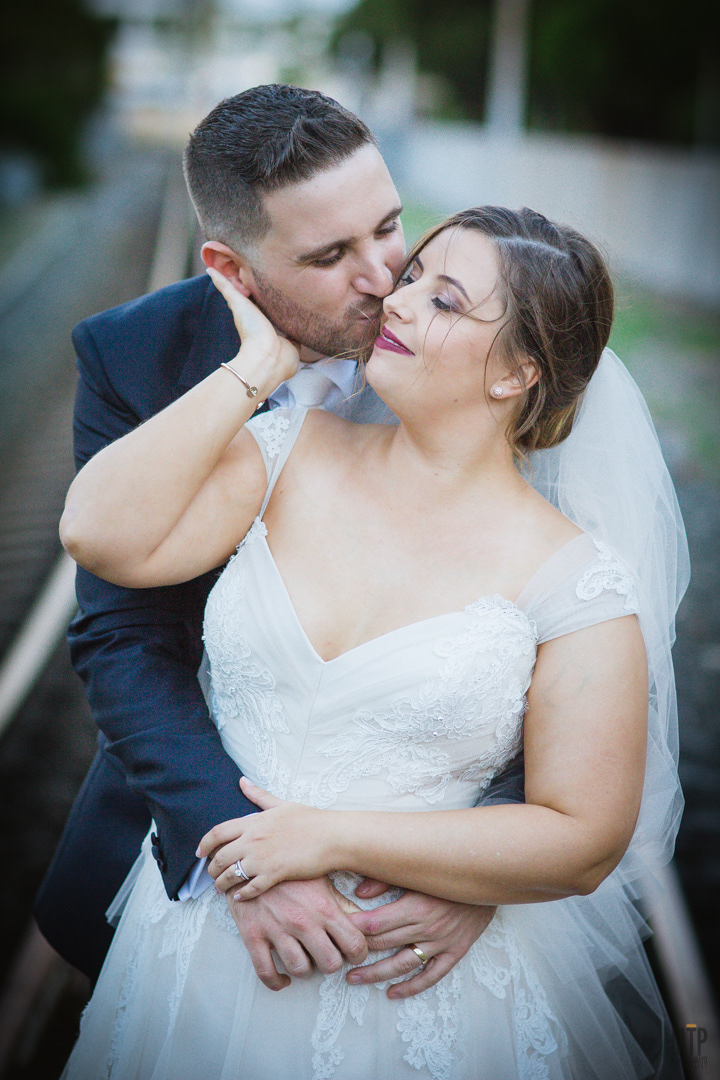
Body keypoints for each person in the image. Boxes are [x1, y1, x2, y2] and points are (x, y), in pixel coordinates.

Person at [60, 205, 687, 1079]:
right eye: (413, 276)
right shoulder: (285, 450)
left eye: (445, 301)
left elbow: (584, 839)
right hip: (196, 947)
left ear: (518, 373)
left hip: (413, 991)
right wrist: (256, 366)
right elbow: (98, 535)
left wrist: (331, 838)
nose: (396, 301)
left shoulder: (578, 584)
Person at [35, 85, 505, 993]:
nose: (385, 279)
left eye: (388, 227)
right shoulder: (133, 354)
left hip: (434, 859)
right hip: (207, 819)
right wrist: (241, 858)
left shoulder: (474, 332)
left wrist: (487, 865)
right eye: (329, 256)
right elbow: (124, 633)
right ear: (231, 268)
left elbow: (554, 622)